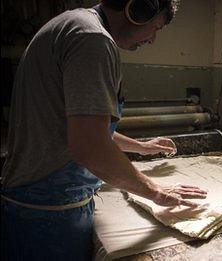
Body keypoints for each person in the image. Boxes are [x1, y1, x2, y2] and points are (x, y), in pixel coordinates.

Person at [0, 0, 207, 260]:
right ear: (139, 11)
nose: (152, 39)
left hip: (35, 203)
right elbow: (91, 147)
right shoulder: (93, 40)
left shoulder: (74, 24)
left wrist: (142, 147)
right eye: (155, 28)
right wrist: (156, 191)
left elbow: (84, 127)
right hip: (47, 214)